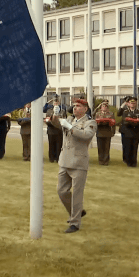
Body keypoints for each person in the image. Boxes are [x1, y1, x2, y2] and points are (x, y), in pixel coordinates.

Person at [54, 98, 97, 234]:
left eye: (78, 106)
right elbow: (56, 124)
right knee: (61, 191)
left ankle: (75, 223)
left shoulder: (90, 122)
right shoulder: (70, 120)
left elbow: (86, 135)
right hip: (65, 160)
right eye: (74, 106)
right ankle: (77, 212)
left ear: (85, 109)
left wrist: (70, 127)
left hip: (78, 162)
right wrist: (55, 113)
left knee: (77, 194)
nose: (75, 108)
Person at [117, 96, 139, 167]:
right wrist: (133, 122)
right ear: (128, 104)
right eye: (131, 103)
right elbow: (124, 121)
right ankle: (128, 161)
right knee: (127, 147)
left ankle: (134, 162)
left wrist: (136, 122)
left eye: (134, 103)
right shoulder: (125, 112)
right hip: (127, 132)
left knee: (135, 148)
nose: (133, 104)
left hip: (136, 132)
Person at [43, 94, 67, 163]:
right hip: (51, 129)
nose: (55, 103)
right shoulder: (49, 110)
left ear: (59, 102)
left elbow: (63, 118)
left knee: (59, 145)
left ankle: (58, 158)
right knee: (51, 145)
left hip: (58, 129)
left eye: (57, 102)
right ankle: (51, 158)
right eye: (54, 102)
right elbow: (44, 110)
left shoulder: (62, 109)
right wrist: (48, 102)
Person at [93, 99, 115, 166]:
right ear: (101, 107)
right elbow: (94, 121)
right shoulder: (97, 113)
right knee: (100, 147)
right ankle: (101, 160)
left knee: (106, 147)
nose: (104, 107)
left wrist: (113, 132)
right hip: (100, 132)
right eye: (103, 106)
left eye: (106, 106)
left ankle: (106, 161)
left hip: (107, 132)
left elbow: (114, 123)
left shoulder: (111, 114)